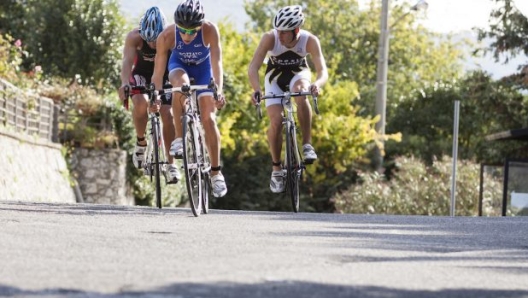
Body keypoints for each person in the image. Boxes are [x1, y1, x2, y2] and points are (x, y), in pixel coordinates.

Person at [248, 5, 329, 193]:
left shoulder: (310, 40)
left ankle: (307, 144)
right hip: (273, 77)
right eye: (278, 31)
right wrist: (256, 89)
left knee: (301, 93)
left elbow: (322, 71)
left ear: (296, 30)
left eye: (285, 32)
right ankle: (277, 169)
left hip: (298, 74)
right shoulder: (270, 38)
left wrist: (317, 84)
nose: (280, 36)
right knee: (276, 121)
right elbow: (253, 67)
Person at [152, 0, 228, 198]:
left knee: (209, 119)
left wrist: (218, 90)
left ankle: (216, 173)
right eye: (183, 30)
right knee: (181, 86)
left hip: (204, 70)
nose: (187, 35)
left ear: (200, 26)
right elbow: (158, 73)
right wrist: (157, 96)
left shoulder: (210, 30)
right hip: (179, 67)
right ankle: (179, 137)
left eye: (192, 31)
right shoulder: (167, 35)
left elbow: (217, 63)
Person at [118, 6, 181, 184]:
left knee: (168, 115)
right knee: (140, 102)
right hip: (141, 75)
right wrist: (124, 83)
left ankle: (171, 164)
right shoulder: (134, 37)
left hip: (164, 76)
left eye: (156, 40)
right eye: (149, 40)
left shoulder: (172, 38)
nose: (153, 45)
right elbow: (127, 63)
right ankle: (141, 143)